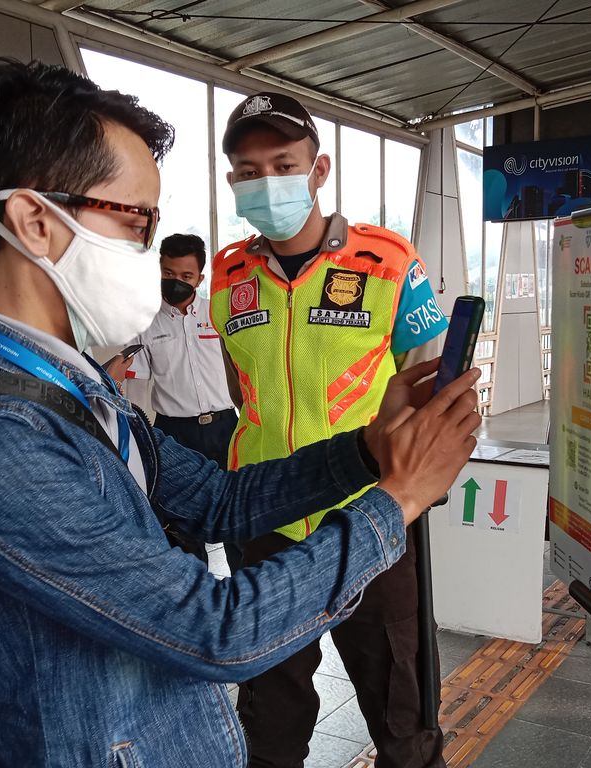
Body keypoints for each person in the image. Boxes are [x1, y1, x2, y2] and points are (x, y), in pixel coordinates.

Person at [0, 59, 481, 767]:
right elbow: (213, 630)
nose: (155, 253)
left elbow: (224, 499)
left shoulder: (77, 393)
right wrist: (399, 499)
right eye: (136, 219)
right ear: (33, 223)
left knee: (400, 704)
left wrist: (367, 450)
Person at [214, 92, 450, 768]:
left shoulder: (388, 263)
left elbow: (424, 380)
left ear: (319, 171)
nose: (266, 183)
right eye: (248, 170)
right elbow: (242, 388)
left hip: (370, 513)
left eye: (283, 164)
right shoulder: (229, 276)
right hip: (264, 517)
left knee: (398, 698)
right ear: (233, 181)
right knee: (271, 706)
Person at [108, 232, 239, 564]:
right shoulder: (146, 324)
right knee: (183, 522)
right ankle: (193, 592)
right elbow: (133, 381)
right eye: (168, 274)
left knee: (237, 513)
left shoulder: (218, 314)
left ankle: (243, 585)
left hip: (227, 427)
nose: (176, 282)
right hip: (175, 432)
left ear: (200, 278)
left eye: (186, 276)